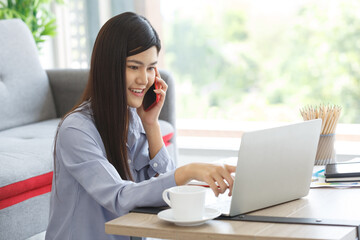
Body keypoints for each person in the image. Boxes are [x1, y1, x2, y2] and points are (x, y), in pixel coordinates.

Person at [45, 12, 235, 240]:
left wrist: (151, 124)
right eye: (134, 67)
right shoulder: (76, 130)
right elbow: (120, 198)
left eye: (151, 68)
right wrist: (189, 170)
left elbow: (167, 193)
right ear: (109, 67)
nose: (144, 79)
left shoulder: (133, 119)